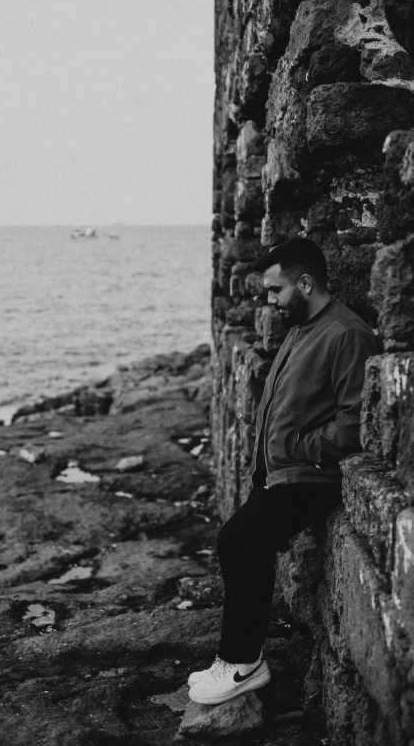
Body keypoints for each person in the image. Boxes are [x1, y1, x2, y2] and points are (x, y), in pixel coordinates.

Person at [188, 237, 382, 705]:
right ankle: (234, 658)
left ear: (306, 282)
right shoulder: (301, 327)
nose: (269, 302)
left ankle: (243, 664)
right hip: (279, 472)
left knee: (238, 541)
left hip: (311, 476)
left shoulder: (346, 334)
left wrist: (299, 447)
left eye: (276, 290)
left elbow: (356, 423)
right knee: (242, 547)